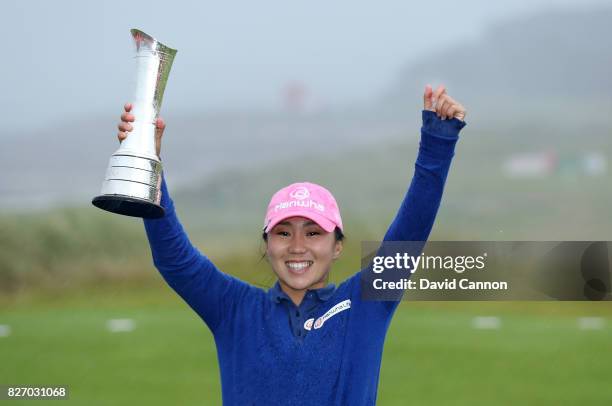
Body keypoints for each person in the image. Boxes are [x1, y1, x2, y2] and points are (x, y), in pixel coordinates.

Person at [116, 84, 466, 405]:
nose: (297, 246)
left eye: (313, 233)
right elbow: (175, 260)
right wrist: (150, 166)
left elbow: (410, 230)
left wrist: (437, 143)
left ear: (337, 245)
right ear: (267, 243)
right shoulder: (235, 309)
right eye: (283, 232)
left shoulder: (364, 303)